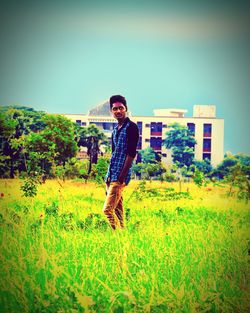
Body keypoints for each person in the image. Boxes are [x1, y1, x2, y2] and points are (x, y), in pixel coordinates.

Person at [103, 95, 139, 230]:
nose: (118, 111)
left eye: (121, 108)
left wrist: (122, 176)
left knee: (107, 210)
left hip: (119, 176)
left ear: (126, 109)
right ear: (112, 111)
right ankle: (123, 232)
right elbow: (114, 154)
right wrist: (108, 175)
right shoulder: (114, 130)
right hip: (110, 175)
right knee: (118, 209)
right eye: (115, 109)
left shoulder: (132, 127)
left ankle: (118, 234)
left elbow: (131, 153)